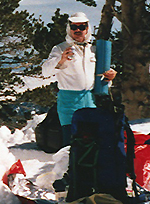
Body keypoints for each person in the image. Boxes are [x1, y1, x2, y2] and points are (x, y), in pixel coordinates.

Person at [42, 12, 116, 146]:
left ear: (87, 29)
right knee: (71, 143)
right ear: (69, 29)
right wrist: (61, 59)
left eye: (81, 27)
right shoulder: (60, 48)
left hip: (90, 101)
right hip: (69, 103)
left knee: (92, 143)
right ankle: (69, 167)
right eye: (74, 27)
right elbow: (45, 71)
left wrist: (109, 78)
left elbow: (100, 78)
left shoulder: (93, 50)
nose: (77, 30)